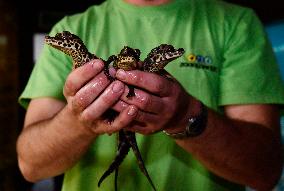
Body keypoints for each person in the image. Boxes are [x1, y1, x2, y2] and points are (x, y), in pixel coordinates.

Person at [16, 0, 284, 190]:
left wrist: (184, 116)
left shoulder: (235, 23)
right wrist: (78, 119)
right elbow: (31, 165)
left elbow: (265, 172)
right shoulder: (73, 26)